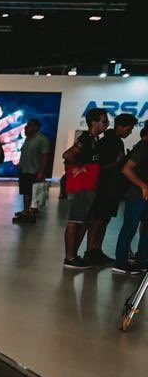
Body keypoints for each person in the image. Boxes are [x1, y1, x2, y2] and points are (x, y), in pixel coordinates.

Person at [85, 113, 137, 264]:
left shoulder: (116, 141)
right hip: (104, 187)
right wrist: (119, 162)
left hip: (112, 188)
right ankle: (90, 251)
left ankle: (96, 250)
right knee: (98, 220)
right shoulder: (107, 142)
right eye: (128, 129)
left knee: (104, 220)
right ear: (120, 126)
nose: (129, 132)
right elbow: (99, 166)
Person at [61, 108, 109, 270]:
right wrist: (80, 166)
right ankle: (70, 258)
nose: (106, 124)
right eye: (104, 121)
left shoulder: (94, 140)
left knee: (81, 221)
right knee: (74, 221)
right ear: (94, 122)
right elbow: (67, 155)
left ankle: (73, 255)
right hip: (81, 187)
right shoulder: (86, 138)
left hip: (88, 187)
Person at [113, 125, 148, 275]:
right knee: (130, 227)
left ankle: (142, 261)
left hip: (143, 195)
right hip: (137, 194)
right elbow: (126, 169)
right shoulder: (143, 147)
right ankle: (120, 263)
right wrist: (143, 186)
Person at [13, 120, 51, 223]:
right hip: (25, 169)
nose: (26, 127)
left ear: (36, 127)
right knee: (25, 192)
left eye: (29, 125)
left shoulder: (42, 139)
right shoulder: (28, 138)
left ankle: (31, 212)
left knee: (34, 192)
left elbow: (44, 156)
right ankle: (26, 211)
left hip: (34, 170)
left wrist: (41, 172)